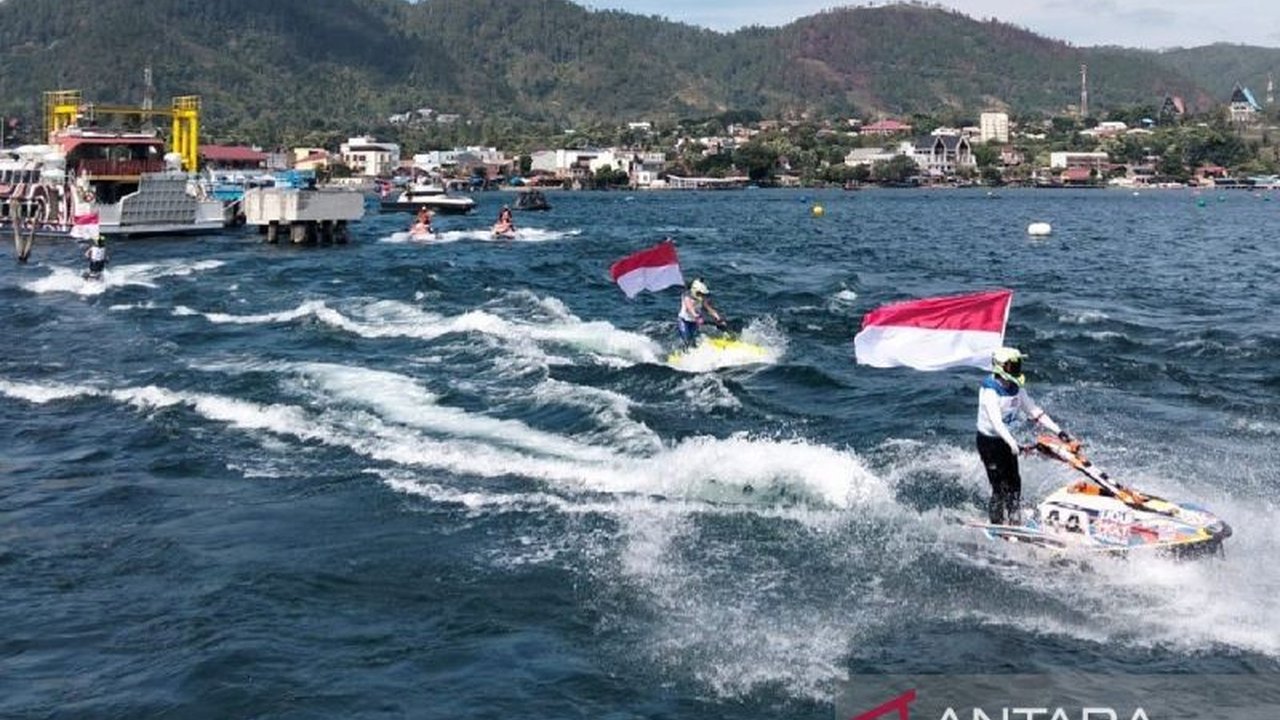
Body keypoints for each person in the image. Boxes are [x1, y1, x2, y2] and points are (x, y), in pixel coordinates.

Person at [975, 346, 1071, 525]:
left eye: (1018, 365)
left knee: (1014, 483)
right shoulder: (990, 392)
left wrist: (1059, 431)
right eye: (1013, 365)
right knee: (999, 487)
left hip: (1006, 440)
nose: (1017, 369)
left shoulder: (1016, 388)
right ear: (1000, 367)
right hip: (989, 443)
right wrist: (1013, 444)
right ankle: (996, 524)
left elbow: (1034, 411)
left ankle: (1014, 519)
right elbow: (996, 424)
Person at [676, 277, 726, 348]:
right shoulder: (687, 297)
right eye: (700, 294)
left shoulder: (701, 298)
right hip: (684, 321)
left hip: (693, 322)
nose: (701, 296)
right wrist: (696, 316)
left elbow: (709, 308)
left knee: (693, 339)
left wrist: (718, 317)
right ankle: (682, 353)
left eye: (702, 294)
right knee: (686, 340)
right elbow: (690, 308)